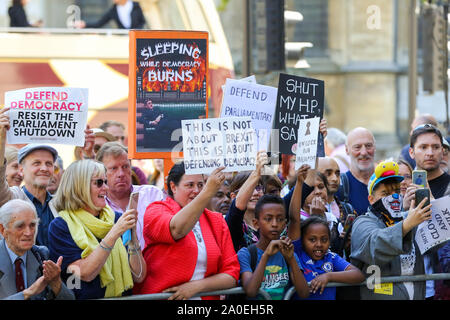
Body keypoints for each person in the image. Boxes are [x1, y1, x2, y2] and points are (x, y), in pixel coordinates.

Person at [134, 163, 240, 300]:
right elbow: (177, 229)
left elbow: (231, 275)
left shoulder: (216, 220)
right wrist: (207, 192)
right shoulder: (156, 210)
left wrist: (196, 287)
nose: (196, 190)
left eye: (201, 185)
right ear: (173, 187)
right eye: (190, 185)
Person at [48, 160, 146, 299]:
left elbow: (139, 276)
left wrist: (133, 236)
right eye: (99, 182)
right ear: (79, 186)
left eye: (105, 182)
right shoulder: (61, 226)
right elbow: (85, 273)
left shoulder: (116, 218)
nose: (106, 188)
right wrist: (114, 233)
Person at [351, 160, 432, 300]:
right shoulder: (363, 222)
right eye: (385, 193)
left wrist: (430, 200)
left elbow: (439, 242)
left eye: (396, 191)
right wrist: (406, 225)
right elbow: (375, 246)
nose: (393, 197)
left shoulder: (409, 217)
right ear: (371, 199)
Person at [237, 194, 309, 300]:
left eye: (280, 219)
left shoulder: (288, 254)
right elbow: (251, 291)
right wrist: (266, 255)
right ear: (256, 223)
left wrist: (291, 259)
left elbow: (304, 293)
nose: (275, 224)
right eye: (268, 219)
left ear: (285, 225)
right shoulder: (246, 254)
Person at [0, 199, 74, 300]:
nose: (29, 233)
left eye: (32, 225)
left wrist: (56, 283)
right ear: (3, 230)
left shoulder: (41, 255)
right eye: (20, 226)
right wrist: (27, 293)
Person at [95, 142, 164, 250]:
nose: (121, 173)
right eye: (113, 168)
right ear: (101, 173)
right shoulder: (97, 204)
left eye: (125, 166)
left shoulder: (152, 194)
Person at [408, 123, 450, 300]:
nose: (430, 153)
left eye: (435, 147)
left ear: (443, 151)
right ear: (412, 152)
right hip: (409, 284)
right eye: (423, 147)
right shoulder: (401, 187)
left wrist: (435, 204)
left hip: (443, 282)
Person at [292, 216, 364, 300]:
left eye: (324, 240)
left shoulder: (331, 257)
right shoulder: (297, 255)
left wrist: (328, 276)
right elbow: (293, 219)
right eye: (312, 240)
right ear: (302, 241)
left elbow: (359, 275)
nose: (319, 244)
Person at [225, 151, 267, 252]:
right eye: (249, 189)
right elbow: (237, 207)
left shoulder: (272, 222)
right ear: (233, 196)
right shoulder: (231, 223)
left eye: (258, 187)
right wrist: (256, 173)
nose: (256, 193)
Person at [336, 127, 376, 216]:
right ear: (347, 150)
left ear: (375, 147)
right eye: (357, 147)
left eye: (368, 146)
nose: (364, 152)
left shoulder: (387, 181)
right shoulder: (339, 186)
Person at [75, 0, 146, 29]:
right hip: (124, 40)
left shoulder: (136, 6)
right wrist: (85, 25)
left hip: (137, 38)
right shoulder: (113, 10)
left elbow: (142, 22)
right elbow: (99, 23)